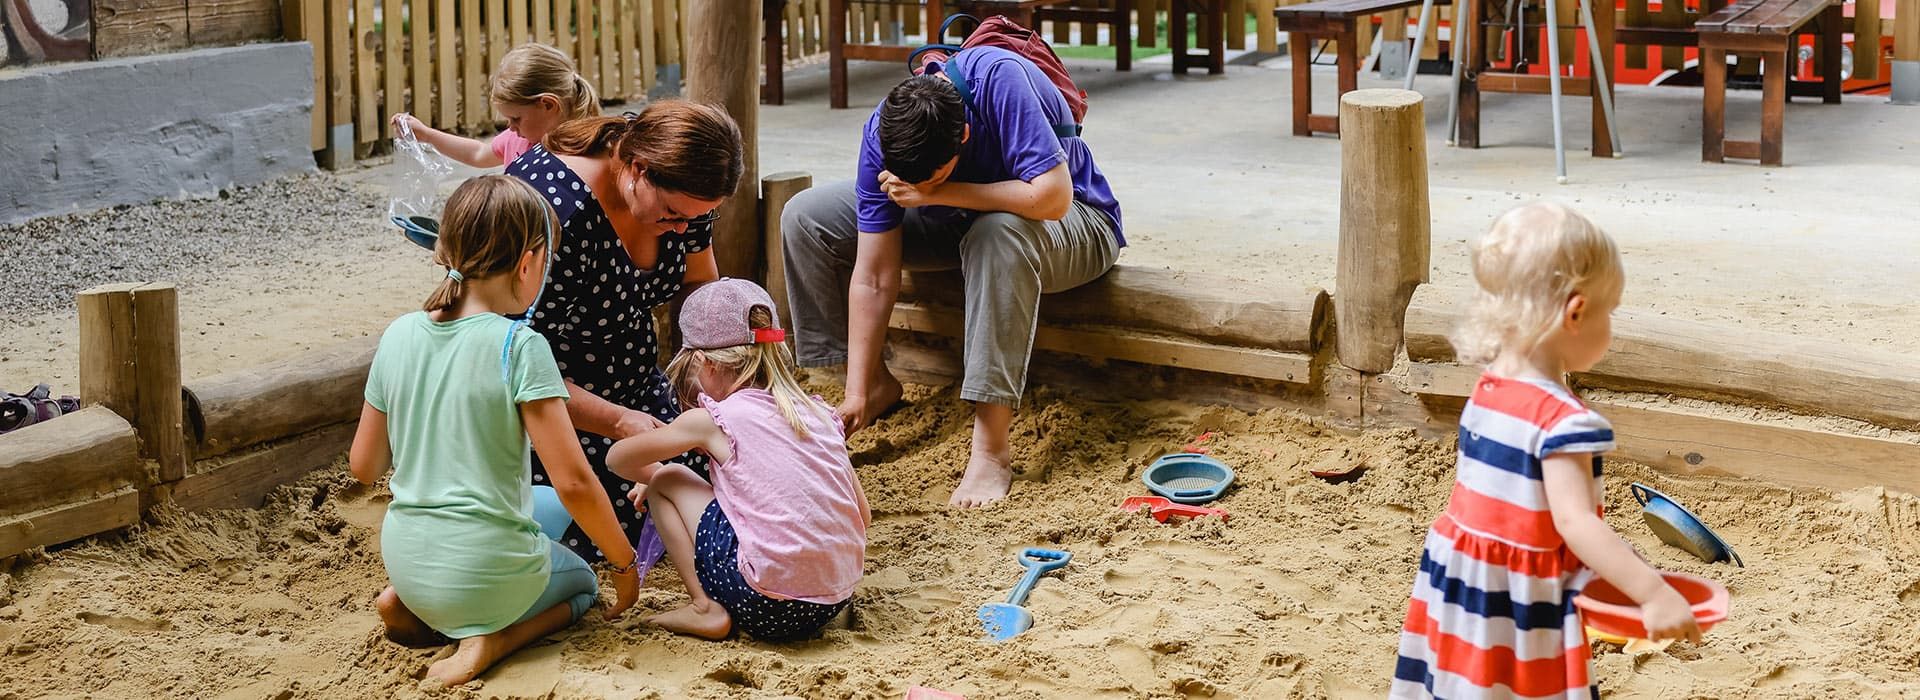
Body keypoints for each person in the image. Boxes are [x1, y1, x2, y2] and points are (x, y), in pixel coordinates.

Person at [781, 45, 1123, 509]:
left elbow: (1053, 197)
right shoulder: (886, 130)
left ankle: (991, 448)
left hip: (1075, 222)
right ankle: (875, 388)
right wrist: (856, 390)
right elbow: (876, 273)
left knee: (996, 233)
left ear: (962, 135)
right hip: (961, 221)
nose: (919, 184)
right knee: (807, 218)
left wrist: (936, 194)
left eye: (932, 176)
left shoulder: (999, 80)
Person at [1391, 203, 1704, 699]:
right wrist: (1653, 591)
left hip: (1463, 589)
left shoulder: (1489, 389)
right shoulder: (1567, 424)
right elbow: (1577, 525)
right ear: (1577, 312)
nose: (1612, 326)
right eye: (1611, 312)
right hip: (1521, 603)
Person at [347, 175, 640, 686]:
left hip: (408, 564)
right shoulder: (520, 346)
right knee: (584, 584)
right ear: (528, 263)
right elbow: (575, 481)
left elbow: (364, 467)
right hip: (485, 573)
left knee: (539, 503)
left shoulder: (398, 334)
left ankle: (418, 605)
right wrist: (624, 564)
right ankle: (491, 640)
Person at [505, 100, 745, 563]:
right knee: (604, 517)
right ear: (638, 167)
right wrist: (616, 422)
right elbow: (505, 356)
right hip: (549, 401)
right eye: (674, 214)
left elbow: (700, 285)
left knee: (719, 472)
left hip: (635, 379)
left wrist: (718, 374)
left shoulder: (687, 198)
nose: (683, 228)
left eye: (696, 218)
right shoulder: (559, 214)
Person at [605, 278, 870, 641]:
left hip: (766, 604)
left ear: (703, 362)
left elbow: (616, 459)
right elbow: (863, 515)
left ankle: (705, 608)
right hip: (832, 600)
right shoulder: (819, 414)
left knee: (668, 481)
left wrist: (654, 472)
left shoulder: (714, 419)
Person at [391, 43, 598, 169]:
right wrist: (427, 135)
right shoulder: (517, 139)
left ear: (548, 105)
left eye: (516, 118)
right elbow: (478, 154)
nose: (511, 127)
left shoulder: (586, 149)